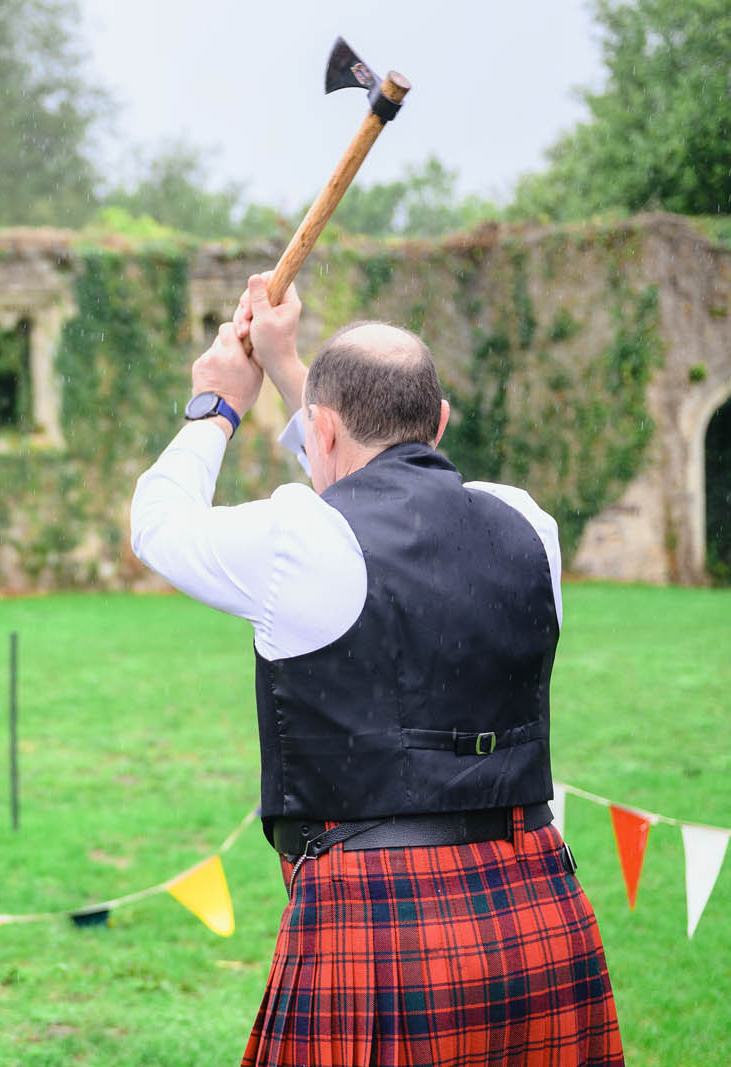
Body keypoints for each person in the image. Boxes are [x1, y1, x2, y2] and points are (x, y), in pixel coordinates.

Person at [129, 273, 624, 1065]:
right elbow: (361, 464)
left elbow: (157, 524)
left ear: (318, 428)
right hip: (536, 907)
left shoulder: (300, 539)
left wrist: (217, 402)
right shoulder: (529, 523)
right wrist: (292, 363)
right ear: (442, 421)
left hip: (379, 921)